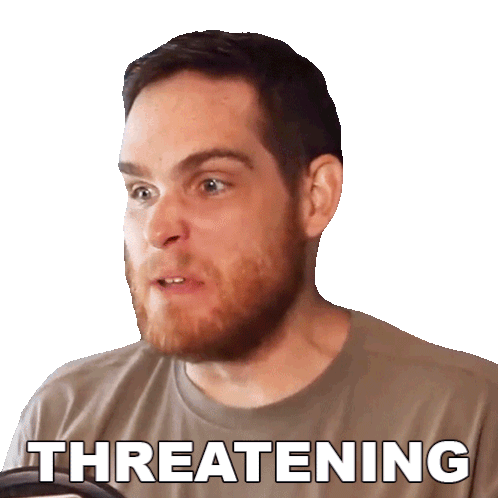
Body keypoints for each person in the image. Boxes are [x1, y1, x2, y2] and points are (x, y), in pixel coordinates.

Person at [3, 31, 498, 497]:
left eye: (211, 184)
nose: (158, 229)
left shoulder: (467, 421)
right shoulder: (66, 423)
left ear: (315, 196)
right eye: (142, 191)